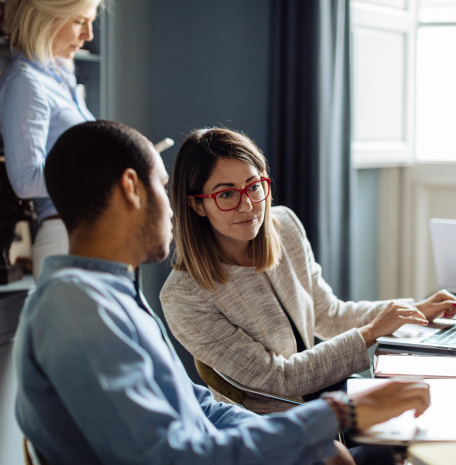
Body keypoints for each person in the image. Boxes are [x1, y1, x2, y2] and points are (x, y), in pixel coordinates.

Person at [14, 120, 431, 465]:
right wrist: (334, 417)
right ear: (131, 188)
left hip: (247, 444)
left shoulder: (110, 294)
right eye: (162, 187)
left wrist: (310, 437)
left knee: (418, 444)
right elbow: (174, 457)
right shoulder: (77, 309)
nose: (172, 207)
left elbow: (202, 406)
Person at [160, 127, 456, 414]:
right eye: (226, 194)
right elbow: (281, 380)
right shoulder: (184, 297)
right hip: (280, 425)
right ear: (197, 205)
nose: (248, 206)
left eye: (254, 187)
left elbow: (328, 314)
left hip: (332, 396)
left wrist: (412, 310)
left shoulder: (284, 226)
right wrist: (371, 333)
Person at [0, 0, 100, 280]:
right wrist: (105, 172)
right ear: (44, 18)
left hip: (87, 233)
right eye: (80, 21)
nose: (89, 35)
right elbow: (25, 179)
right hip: (66, 238)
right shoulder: (25, 81)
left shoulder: (57, 75)